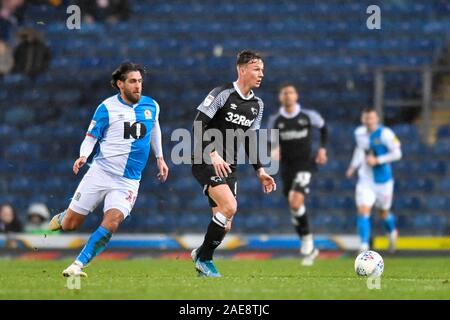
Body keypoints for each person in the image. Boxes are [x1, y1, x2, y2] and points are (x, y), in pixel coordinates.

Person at [48, 62, 169, 277]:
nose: (138, 86)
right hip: (100, 173)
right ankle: (65, 216)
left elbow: (155, 128)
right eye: (132, 81)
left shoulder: (152, 106)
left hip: (128, 181)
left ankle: (78, 265)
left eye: (140, 81)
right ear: (120, 84)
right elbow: (91, 136)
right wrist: (83, 155)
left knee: (112, 221)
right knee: (70, 224)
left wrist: (160, 157)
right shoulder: (106, 108)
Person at [191, 50, 276, 277]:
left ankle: (201, 252)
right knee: (230, 207)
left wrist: (260, 171)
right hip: (205, 159)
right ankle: (205, 259)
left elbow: (250, 139)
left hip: (229, 165)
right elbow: (198, 125)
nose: (261, 74)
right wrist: (212, 153)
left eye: (263, 70)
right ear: (242, 69)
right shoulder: (221, 94)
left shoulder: (257, 105)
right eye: (257, 69)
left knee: (226, 225)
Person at [267, 83, 328, 266]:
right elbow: (271, 142)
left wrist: (322, 150)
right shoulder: (275, 120)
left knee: (295, 201)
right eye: (284, 93)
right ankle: (308, 245)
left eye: (291, 92)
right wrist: (273, 150)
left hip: (305, 164)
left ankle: (308, 239)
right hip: (287, 168)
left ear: (296, 95)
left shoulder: (308, 116)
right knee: (294, 207)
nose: (288, 95)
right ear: (280, 97)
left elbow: (324, 128)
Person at [346, 107, 402, 253]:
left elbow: (397, 153)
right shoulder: (359, 133)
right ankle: (364, 245)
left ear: (376, 119)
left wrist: (378, 160)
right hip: (366, 179)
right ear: (362, 119)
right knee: (363, 210)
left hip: (383, 181)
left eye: (371, 118)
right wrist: (353, 166)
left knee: (383, 213)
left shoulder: (385, 134)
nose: (368, 121)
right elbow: (359, 150)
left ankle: (392, 233)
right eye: (366, 118)